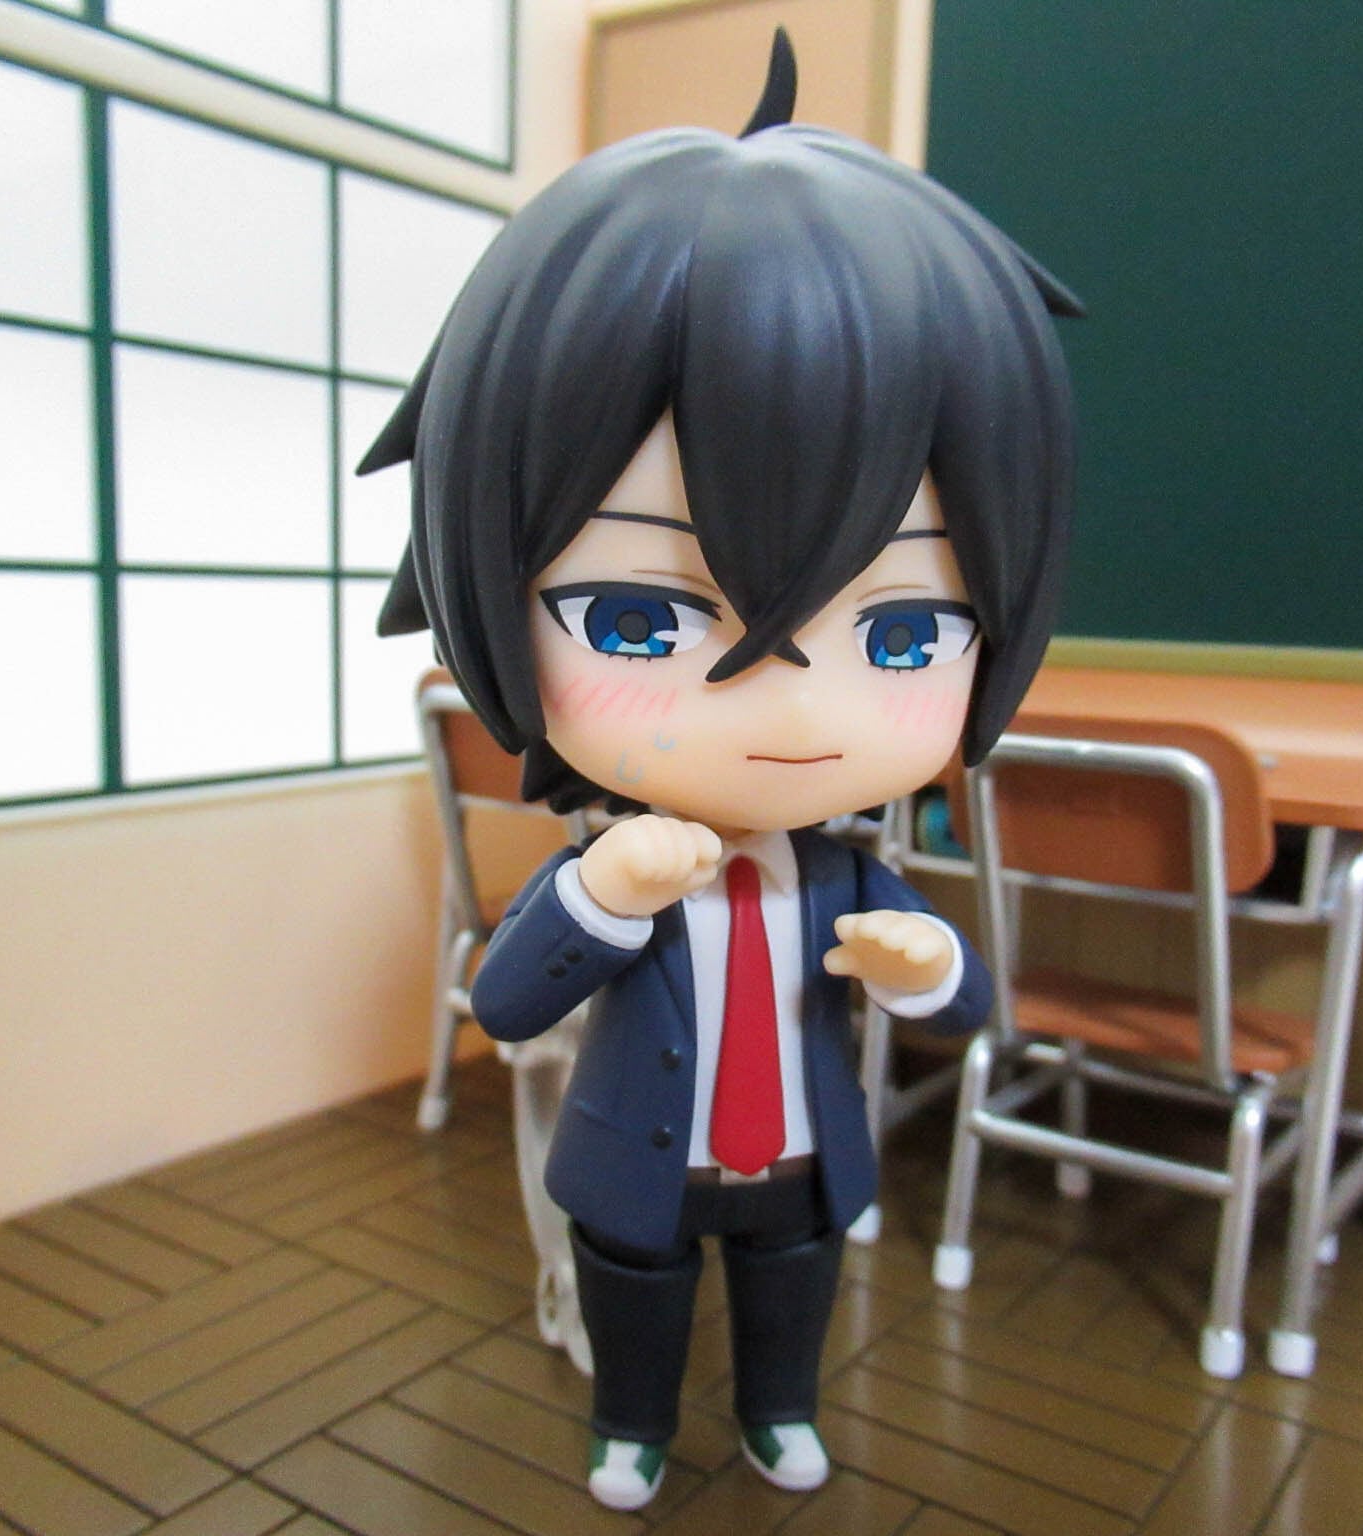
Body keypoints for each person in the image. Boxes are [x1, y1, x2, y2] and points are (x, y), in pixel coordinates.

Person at [360, 32, 1081, 1511]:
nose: (789, 704)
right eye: (640, 618)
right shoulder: (608, 869)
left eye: (906, 630)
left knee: (789, 1293)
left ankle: (778, 1411)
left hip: (801, 1164)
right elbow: (508, 1004)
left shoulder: (850, 875)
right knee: (635, 1295)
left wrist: (927, 962)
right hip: (635, 1164)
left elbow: (972, 1010)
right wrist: (603, 899)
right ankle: (629, 1426)